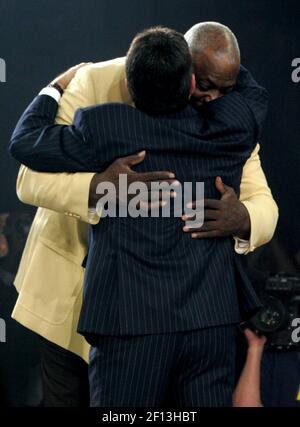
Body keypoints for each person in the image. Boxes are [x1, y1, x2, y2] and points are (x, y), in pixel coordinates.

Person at [11, 22, 278, 407]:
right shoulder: (94, 82)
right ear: (187, 76)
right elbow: (28, 181)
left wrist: (245, 218)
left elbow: (263, 202)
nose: (211, 96)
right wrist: (96, 188)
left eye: (223, 87)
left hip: (171, 314)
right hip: (73, 295)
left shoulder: (217, 111)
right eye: (204, 83)